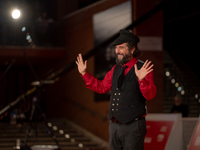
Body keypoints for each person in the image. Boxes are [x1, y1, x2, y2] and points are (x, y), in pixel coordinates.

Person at [76, 29, 157, 150]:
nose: (117, 51)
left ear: (132, 49)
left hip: (133, 127)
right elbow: (102, 87)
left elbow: (150, 95)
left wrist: (141, 80)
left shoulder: (143, 68)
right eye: (116, 47)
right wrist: (84, 74)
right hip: (114, 126)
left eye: (121, 47)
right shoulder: (116, 68)